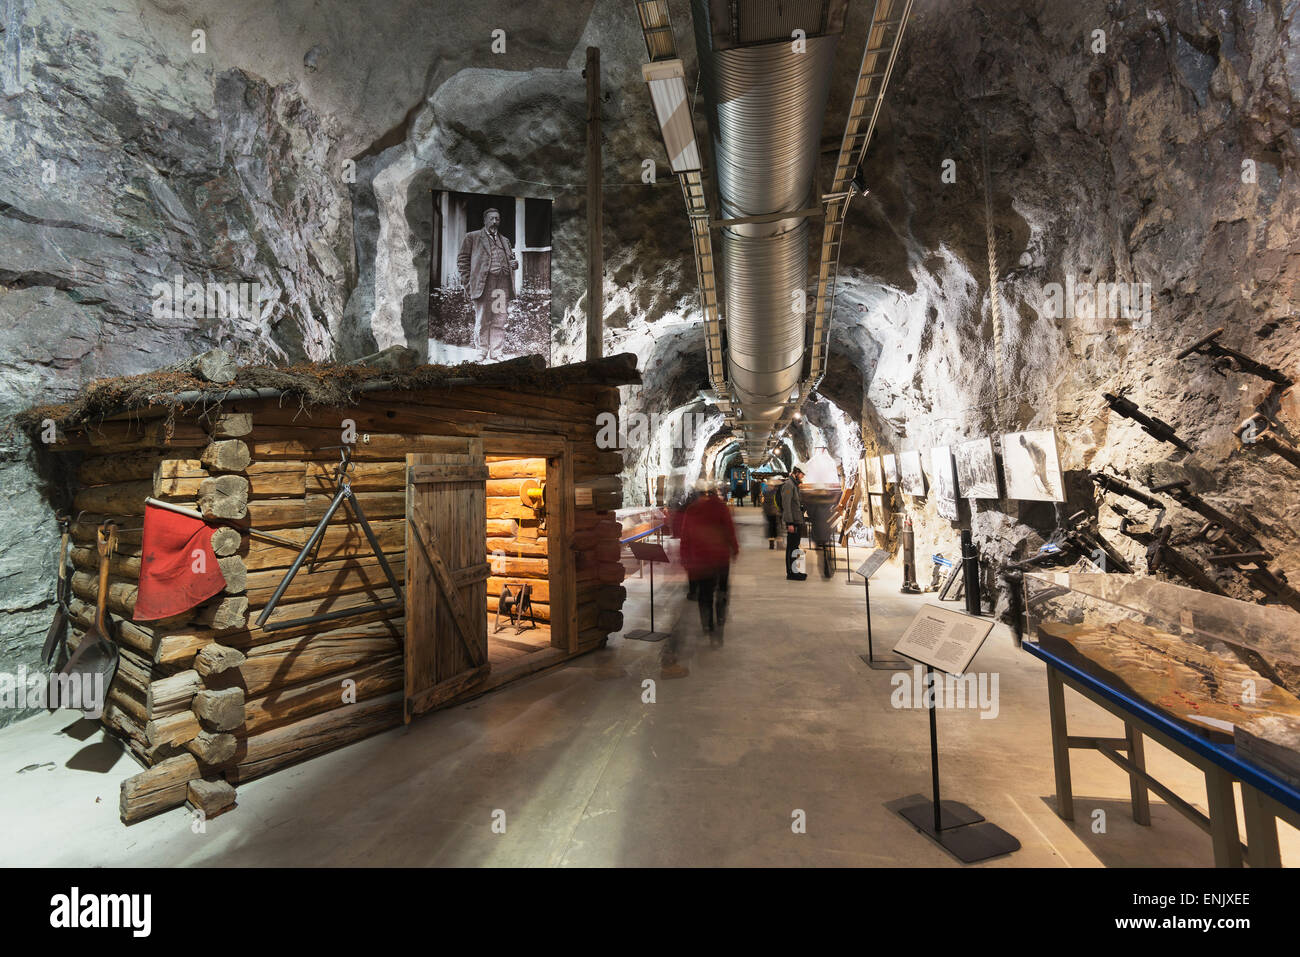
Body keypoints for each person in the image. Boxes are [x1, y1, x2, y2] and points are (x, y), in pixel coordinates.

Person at [679, 478, 739, 639]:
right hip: (720, 558)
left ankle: (707, 624)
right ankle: (720, 617)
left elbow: (685, 537)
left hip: (701, 560)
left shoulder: (692, 509)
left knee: (705, 594)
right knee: (722, 591)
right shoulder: (720, 507)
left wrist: (685, 558)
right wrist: (734, 549)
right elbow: (729, 530)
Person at [457, 207, 517, 360]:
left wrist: (513, 264)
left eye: (497, 218)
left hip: (502, 285)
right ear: (485, 220)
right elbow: (462, 261)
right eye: (491, 218)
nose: (495, 221)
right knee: (483, 319)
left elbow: (511, 259)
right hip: (484, 284)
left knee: (499, 318)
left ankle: (496, 351)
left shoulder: (505, 241)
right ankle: (481, 351)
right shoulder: (473, 237)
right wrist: (468, 284)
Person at [780, 467, 807, 581]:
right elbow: (786, 505)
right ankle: (790, 573)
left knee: (795, 547)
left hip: (797, 520)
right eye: (802, 474)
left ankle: (796, 571)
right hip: (793, 522)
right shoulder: (788, 485)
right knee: (791, 548)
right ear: (796, 472)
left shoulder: (795, 485)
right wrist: (789, 522)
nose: (802, 476)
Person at [761, 478, 782, 549]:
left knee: (771, 527)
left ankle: (771, 544)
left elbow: (763, 503)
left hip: (768, 512)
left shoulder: (765, 492)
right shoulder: (775, 493)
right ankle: (779, 543)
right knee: (777, 527)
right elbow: (777, 503)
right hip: (775, 512)